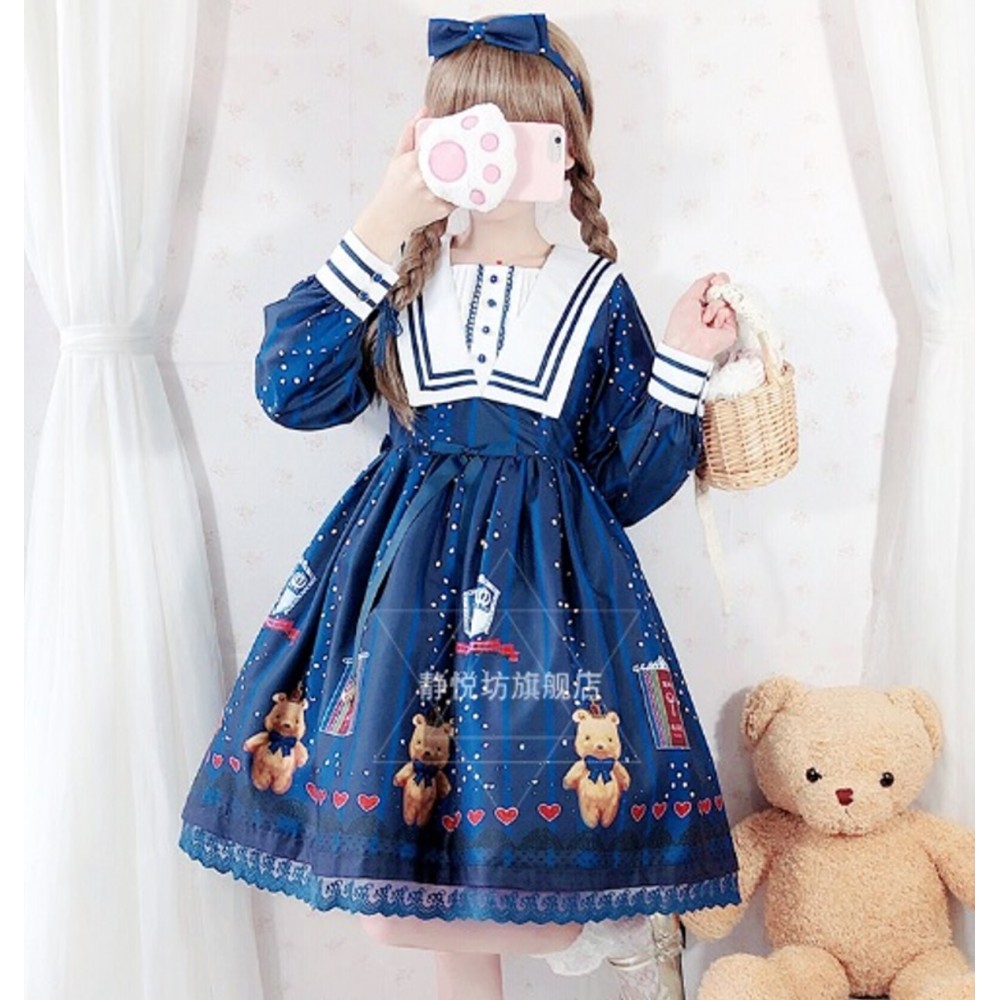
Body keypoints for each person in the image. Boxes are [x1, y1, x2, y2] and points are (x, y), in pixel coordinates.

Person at [179, 13, 740, 1000]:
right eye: (471, 127)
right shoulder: (397, 280)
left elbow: (622, 486)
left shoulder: (593, 294)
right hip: (399, 601)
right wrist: (379, 219)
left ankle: (615, 945)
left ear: (567, 146)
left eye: (523, 130)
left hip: (544, 610)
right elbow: (288, 389)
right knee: (415, 849)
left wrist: (684, 367)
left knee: (512, 826)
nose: (496, 152)